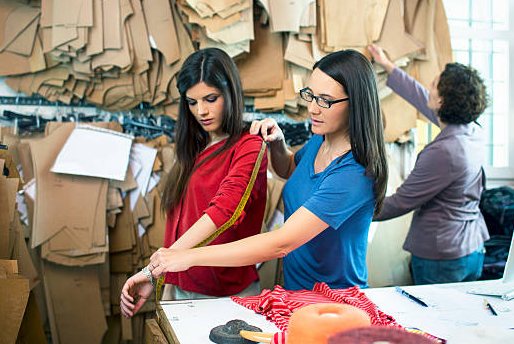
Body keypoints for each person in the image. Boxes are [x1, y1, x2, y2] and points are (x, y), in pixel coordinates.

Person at [120, 49, 388, 318]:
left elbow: (281, 242)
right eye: (310, 95)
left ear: (357, 102)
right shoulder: (322, 139)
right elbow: (290, 171)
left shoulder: (353, 174)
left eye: (325, 100)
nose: (312, 108)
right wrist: (278, 144)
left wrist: (185, 256)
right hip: (296, 293)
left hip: (333, 303)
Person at [120, 48, 268, 314]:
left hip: (223, 295)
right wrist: (160, 275)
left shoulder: (249, 146)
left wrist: (154, 270)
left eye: (211, 99)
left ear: (230, 93)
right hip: (180, 284)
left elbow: (225, 211)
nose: (201, 111)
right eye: (192, 102)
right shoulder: (195, 146)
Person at [367, 44, 490, 285]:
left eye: (434, 84)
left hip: (442, 257)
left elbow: (400, 202)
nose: (429, 87)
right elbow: (422, 98)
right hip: (472, 248)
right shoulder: (471, 129)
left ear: (443, 102)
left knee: (434, 321)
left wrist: (348, 208)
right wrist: (387, 66)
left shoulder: (443, 152)